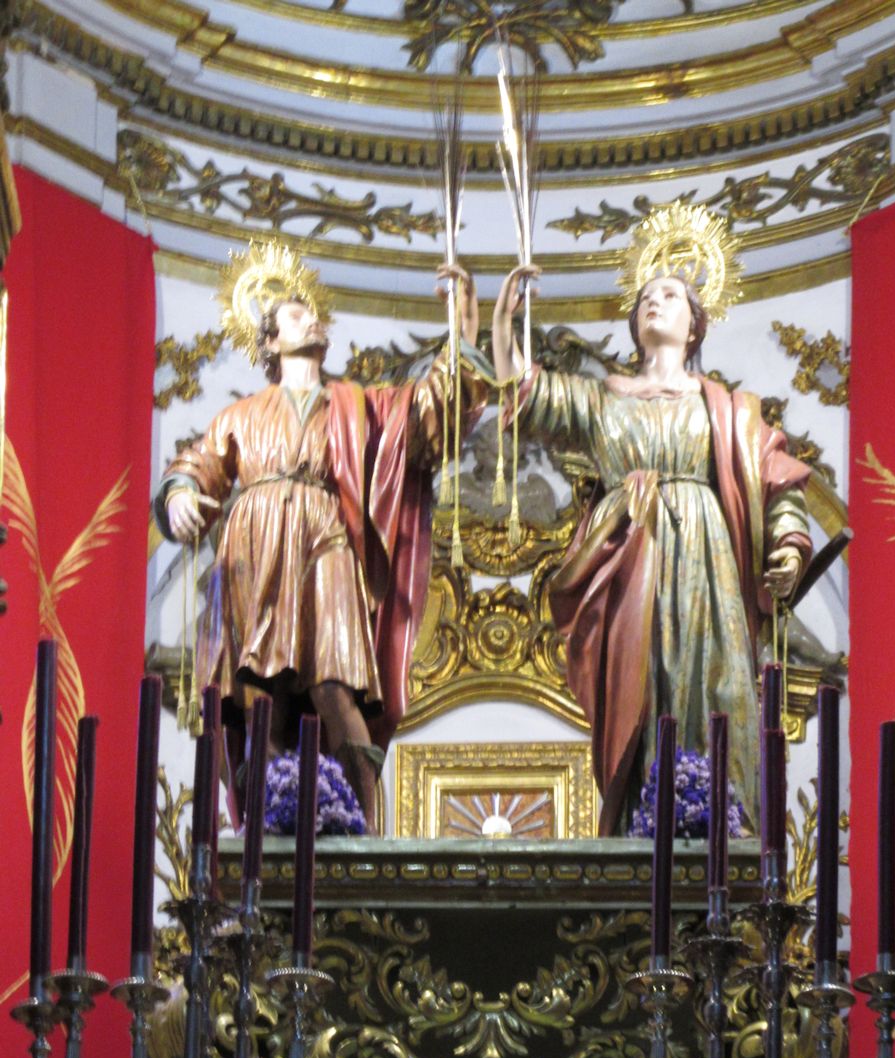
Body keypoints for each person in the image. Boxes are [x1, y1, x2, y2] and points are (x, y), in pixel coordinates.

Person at [155, 250, 484, 831]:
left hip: (326, 539)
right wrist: (181, 495)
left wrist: (461, 336)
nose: (313, 320)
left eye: (314, 315)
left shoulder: (356, 405)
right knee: (259, 694)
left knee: (335, 683)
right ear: (271, 342)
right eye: (296, 316)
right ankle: (269, 826)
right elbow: (199, 464)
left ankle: (364, 822)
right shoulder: (242, 414)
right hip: (254, 542)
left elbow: (427, 417)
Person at [491, 248, 812, 835]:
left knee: (710, 681)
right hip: (630, 554)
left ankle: (717, 816)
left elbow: (777, 480)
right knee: (637, 690)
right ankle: (644, 816)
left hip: (708, 565)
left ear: (695, 325)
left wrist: (788, 547)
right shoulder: (604, 396)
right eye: (643, 298)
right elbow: (528, 393)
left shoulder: (731, 412)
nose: (652, 302)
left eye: (668, 294)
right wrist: (501, 323)